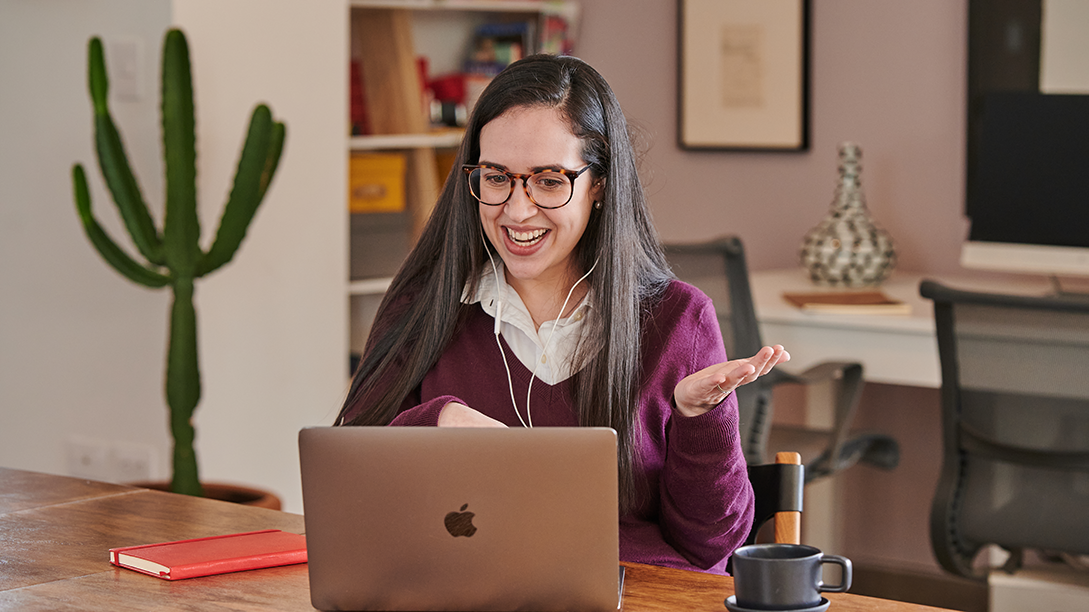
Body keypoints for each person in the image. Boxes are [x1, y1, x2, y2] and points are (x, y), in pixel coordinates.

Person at [336, 54, 789, 575]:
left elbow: (711, 546)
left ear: (599, 184)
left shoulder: (679, 321)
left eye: (549, 180)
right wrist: (435, 421)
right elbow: (352, 491)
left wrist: (698, 420)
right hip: (469, 589)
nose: (517, 209)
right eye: (497, 176)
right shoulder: (421, 307)